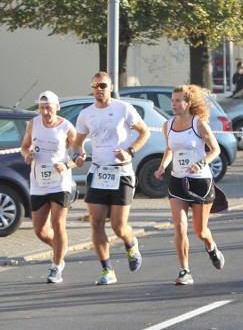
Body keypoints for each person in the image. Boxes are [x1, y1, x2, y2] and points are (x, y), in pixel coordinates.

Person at [72, 71, 151, 285]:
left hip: (121, 172)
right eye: (96, 85)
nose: (99, 89)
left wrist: (131, 151)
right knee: (96, 224)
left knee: (118, 226)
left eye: (103, 86)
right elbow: (77, 142)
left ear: (111, 86)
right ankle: (107, 269)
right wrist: (78, 154)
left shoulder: (123, 108)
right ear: (91, 87)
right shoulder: (86, 114)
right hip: (98, 172)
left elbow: (145, 133)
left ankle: (131, 242)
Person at [153, 85, 225, 284]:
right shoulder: (168, 125)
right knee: (180, 226)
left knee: (200, 231)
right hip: (178, 181)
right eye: (172, 100)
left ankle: (211, 246)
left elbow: (215, 150)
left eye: (177, 100)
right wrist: (162, 167)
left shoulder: (199, 124)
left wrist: (200, 163)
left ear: (188, 103)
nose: (173, 104)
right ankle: (185, 270)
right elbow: (169, 149)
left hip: (201, 181)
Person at [21, 91, 77, 284]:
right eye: (42, 108)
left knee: (58, 224)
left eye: (49, 108)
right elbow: (25, 146)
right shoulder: (33, 123)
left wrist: (67, 165)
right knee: (40, 230)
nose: (45, 112)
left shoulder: (66, 127)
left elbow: (80, 155)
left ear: (57, 107)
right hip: (38, 182)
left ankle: (56, 266)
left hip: (59, 181)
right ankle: (60, 248)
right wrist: (27, 154)